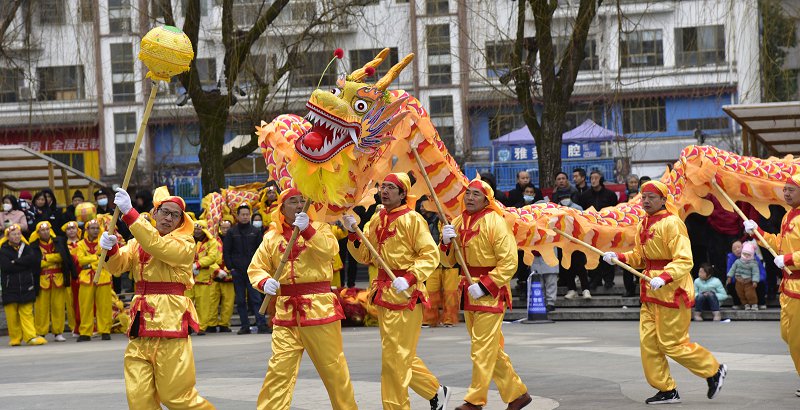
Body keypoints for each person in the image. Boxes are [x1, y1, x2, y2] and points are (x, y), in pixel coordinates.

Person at [603, 180, 727, 405]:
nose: (646, 201)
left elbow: (684, 259)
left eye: (652, 197)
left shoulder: (673, 223)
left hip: (672, 291)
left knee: (672, 343)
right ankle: (666, 389)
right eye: (644, 197)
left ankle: (713, 369)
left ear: (663, 200)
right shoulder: (643, 223)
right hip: (650, 291)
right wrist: (619, 257)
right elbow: (640, 258)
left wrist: (665, 276)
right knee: (648, 343)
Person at [343, 172, 450, 410]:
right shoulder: (376, 219)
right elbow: (365, 255)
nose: (385, 191)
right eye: (384, 186)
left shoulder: (413, 219)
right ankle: (435, 391)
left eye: (392, 188)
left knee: (395, 358)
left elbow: (430, 254)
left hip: (406, 294)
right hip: (384, 293)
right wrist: (354, 234)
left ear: (403, 194)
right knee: (397, 354)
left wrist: (410, 276)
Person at [100, 186, 213, 409]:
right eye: (164, 212)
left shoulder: (185, 243)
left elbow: (157, 246)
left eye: (175, 215)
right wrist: (111, 250)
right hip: (140, 326)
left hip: (170, 323)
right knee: (139, 400)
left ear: (181, 221)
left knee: (177, 397)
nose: (169, 218)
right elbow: (118, 266)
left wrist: (130, 214)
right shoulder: (137, 242)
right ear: (154, 213)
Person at [248, 187, 357, 410]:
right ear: (282, 207)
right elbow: (255, 267)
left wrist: (308, 230)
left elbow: (330, 251)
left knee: (333, 369)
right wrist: (263, 281)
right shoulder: (272, 236)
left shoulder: (321, 228)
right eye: (293, 202)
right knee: (278, 371)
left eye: (301, 201)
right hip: (286, 312)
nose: (298, 205)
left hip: (319, 309)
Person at [439, 177, 530, 410]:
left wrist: (485, 284)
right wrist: (446, 243)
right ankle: (517, 394)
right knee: (488, 348)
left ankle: (475, 400)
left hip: (491, 291)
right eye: (467, 193)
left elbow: (509, 262)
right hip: (467, 290)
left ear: (487, 199)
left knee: (481, 348)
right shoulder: (457, 222)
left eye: (476, 194)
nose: (469, 198)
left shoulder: (495, 222)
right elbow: (448, 261)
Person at [743, 174, 800, 396]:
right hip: (788, 286)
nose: (786, 193)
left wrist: (788, 259)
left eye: (791, 190)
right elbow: (778, 243)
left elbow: (786, 254)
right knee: (787, 334)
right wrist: (758, 233)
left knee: (796, 338)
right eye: (785, 189)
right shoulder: (788, 217)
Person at [223, 203, 270, 334]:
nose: (245, 217)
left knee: (255, 299)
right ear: (237, 216)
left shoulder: (255, 231)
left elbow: (261, 251)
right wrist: (230, 267)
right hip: (237, 272)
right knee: (240, 300)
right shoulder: (232, 232)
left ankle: (261, 324)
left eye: (247, 214)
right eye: (242, 214)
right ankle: (245, 326)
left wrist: (260, 267)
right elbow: (226, 252)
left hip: (253, 271)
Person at [0, 224, 47, 346]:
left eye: (18, 234)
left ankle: (30, 337)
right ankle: (15, 338)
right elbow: (6, 267)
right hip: (10, 287)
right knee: (11, 315)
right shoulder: (3, 249)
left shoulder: (27, 247)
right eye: (13, 234)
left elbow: (33, 260)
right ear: (8, 236)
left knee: (27, 313)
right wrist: (22, 264)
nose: (16, 236)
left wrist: (15, 262)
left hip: (27, 285)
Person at [29, 221, 75, 342]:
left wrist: (47, 258)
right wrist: (53, 259)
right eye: (42, 230)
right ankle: (41, 332)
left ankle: (58, 332)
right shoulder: (34, 245)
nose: (45, 232)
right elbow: (36, 262)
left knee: (58, 307)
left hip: (58, 278)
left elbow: (63, 257)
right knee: (41, 308)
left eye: (47, 229)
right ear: (38, 233)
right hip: (41, 280)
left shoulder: (59, 241)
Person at [76, 219, 116, 342]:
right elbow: (80, 260)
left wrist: (92, 259)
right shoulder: (80, 244)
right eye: (92, 228)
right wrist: (96, 258)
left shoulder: (103, 242)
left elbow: (106, 257)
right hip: (86, 277)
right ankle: (85, 332)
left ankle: (105, 330)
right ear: (86, 230)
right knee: (85, 306)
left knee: (104, 306)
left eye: (97, 228)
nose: (95, 230)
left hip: (103, 276)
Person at [580, 171, 618, 290]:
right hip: (591, 230)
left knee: (607, 255)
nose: (593, 180)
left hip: (607, 230)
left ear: (601, 179)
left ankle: (608, 280)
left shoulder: (610, 194)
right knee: (592, 254)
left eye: (596, 178)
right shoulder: (585, 195)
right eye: (591, 178)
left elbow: (615, 212)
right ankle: (595, 279)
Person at [192, 220, 221, 335]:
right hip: (187, 277)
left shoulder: (212, 242)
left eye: (199, 229)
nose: (196, 231)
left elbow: (212, 257)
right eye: (195, 229)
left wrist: (198, 264)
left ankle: (201, 327)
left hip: (203, 278)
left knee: (203, 304)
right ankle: (187, 325)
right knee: (186, 302)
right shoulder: (187, 240)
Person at [208, 218, 235, 333]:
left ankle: (224, 324)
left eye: (227, 228)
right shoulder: (214, 241)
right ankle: (211, 324)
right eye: (223, 228)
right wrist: (216, 270)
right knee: (212, 300)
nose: (225, 230)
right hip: (215, 274)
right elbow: (210, 256)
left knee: (228, 302)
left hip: (229, 275)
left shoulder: (235, 240)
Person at [726, 241, 761, 310]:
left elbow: (756, 272)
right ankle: (745, 304)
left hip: (749, 281)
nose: (737, 250)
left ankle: (754, 304)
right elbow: (732, 269)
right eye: (734, 248)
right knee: (741, 294)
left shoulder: (753, 262)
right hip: (738, 280)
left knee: (750, 294)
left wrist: (755, 280)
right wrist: (729, 277)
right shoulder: (737, 261)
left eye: (739, 247)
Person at [62, 221, 82, 337]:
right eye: (68, 229)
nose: (71, 230)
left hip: (83, 274)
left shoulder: (83, 242)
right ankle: (74, 327)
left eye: (73, 228)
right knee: (71, 302)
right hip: (70, 276)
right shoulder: (63, 245)